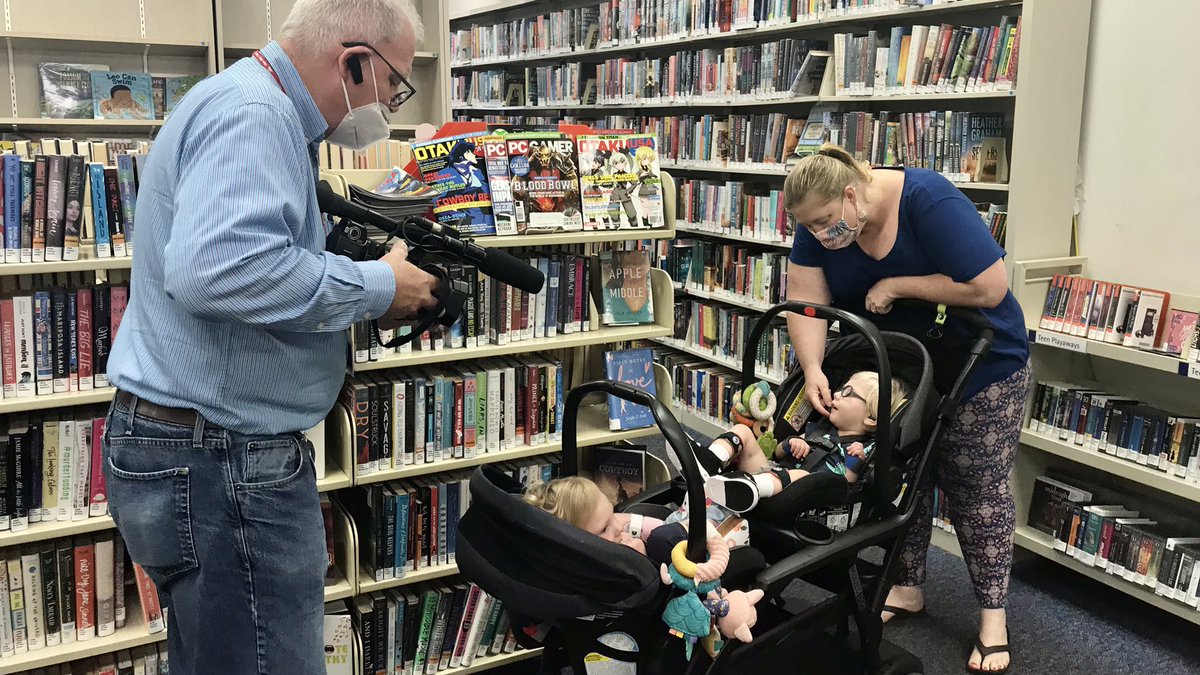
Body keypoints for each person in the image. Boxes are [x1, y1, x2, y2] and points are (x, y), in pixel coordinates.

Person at [101, 1, 437, 673]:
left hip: (199, 448)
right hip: (220, 459)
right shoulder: (256, 116)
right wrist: (374, 286)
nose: (390, 106)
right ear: (353, 61)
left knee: (217, 656)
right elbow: (216, 271)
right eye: (393, 85)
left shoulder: (250, 102)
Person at [782, 144, 1031, 673]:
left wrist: (896, 285)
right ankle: (908, 584)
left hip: (979, 362)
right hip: (897, 368)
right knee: (898, 470)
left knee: (975, 487)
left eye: (827, 223)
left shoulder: (928, 200)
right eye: (812, 228)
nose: (821, 234)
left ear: (851, 193)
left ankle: (992, 616)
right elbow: (806, 301)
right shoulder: (816, 212)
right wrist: (813, 369)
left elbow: (990, 285)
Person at [705, 371, 907, 513]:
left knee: (803, 475)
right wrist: (791, 442)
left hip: (804, 502)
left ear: (871, 418)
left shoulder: (865, 449)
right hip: (771, 474)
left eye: (848, 393)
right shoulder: (818, 429)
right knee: (742, 431)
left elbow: (847, 485)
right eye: (841, 388)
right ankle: (708, 462)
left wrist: (856, 463)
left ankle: (747, 487)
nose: (836, 394)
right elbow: (777, 453)